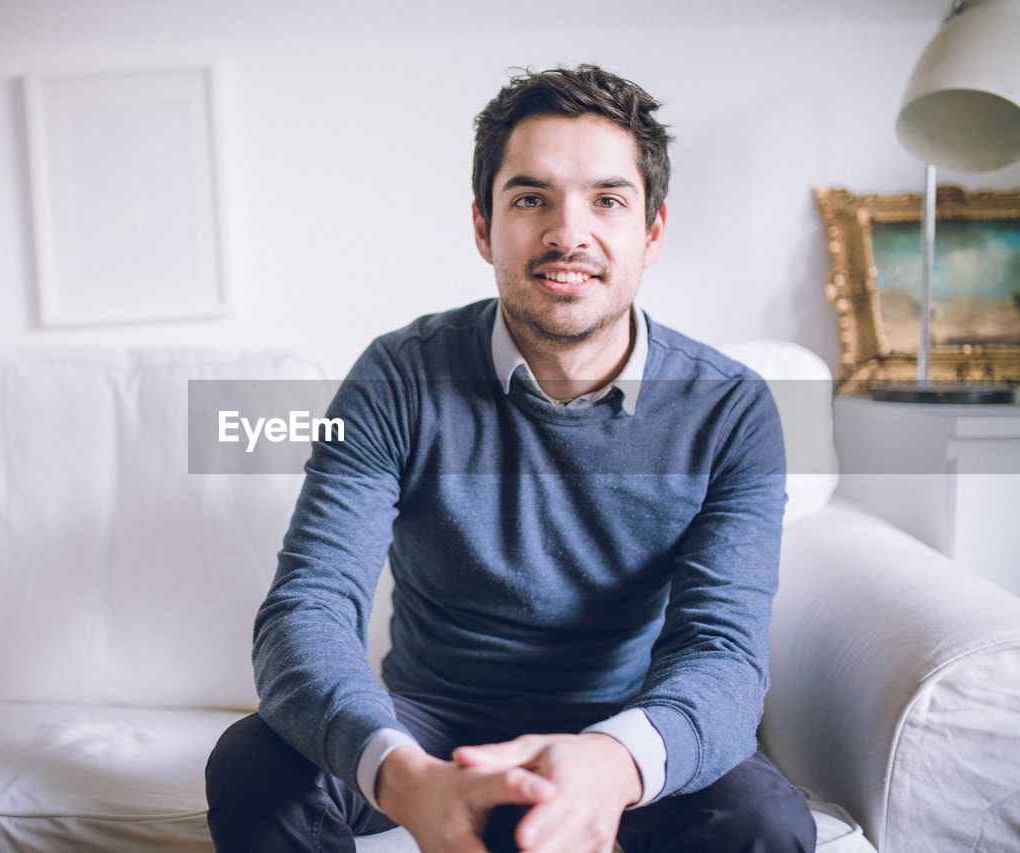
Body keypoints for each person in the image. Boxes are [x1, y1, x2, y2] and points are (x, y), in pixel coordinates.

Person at [206, 64, 816, 853]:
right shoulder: (398, 377)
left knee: (763, 822)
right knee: (254, 765)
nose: (569, 232)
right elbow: (308, 607)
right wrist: (401, 772)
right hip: (428, 726)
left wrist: (613, 760)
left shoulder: (731, 409)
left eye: (607, 200)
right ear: (484, 227)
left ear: (652, 231)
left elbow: (723, 652)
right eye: (531, 198)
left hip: (622, 726)